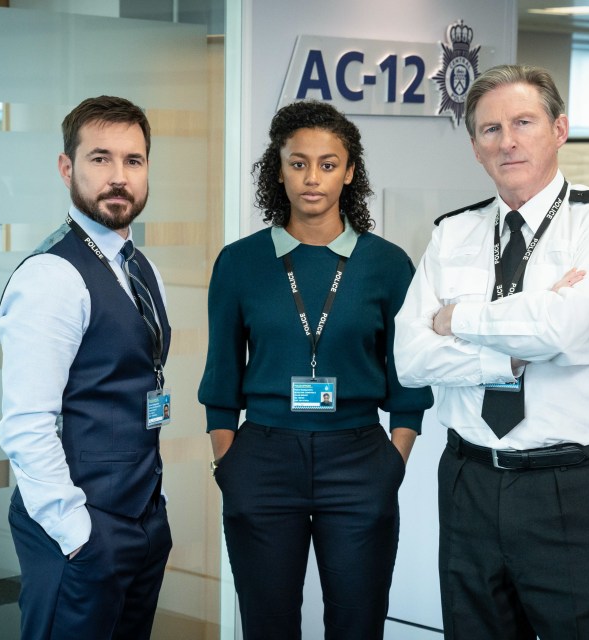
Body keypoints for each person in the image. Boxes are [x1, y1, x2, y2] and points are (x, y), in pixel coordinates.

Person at [394, 64, 589, 640]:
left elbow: (567, 331)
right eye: (490, 130)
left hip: (572, 485)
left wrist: (457, 318)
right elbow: (411, 359)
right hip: (469, 480)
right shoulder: (452, 233)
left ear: (559, 129)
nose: (506, 141)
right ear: (475, 147)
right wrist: (512, 350)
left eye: (523, 122)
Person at [199, 100, 433, 640]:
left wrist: (389, 466)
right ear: (277, 169)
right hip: (262, 458)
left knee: (357, 624)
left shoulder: (387, 263)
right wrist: (228, 463)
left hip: (357, 461)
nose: (312, 178)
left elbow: (408, 382)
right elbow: (222, 377)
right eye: (298, 162)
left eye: (328, 164)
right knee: (268, 625)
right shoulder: (239, 263)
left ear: (349, 172)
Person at [0, 95, 172, 640]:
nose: (119, 177)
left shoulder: (140, 267)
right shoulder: (51, 276)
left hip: (141, 520)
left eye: (133, 161)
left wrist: (149, 523)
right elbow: (27, 426)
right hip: (81, 531)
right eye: (101, 159)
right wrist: (78, 535)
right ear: (67, 167)